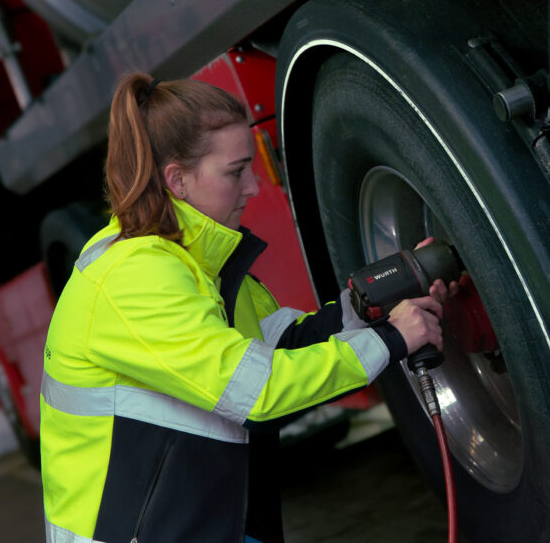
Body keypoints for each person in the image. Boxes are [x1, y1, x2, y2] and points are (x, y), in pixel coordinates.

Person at [39, 73, 449, 543]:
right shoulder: (134, 278)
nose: (253, 187)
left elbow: (278, 345)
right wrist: (393, 339)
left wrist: (369, 310)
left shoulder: (190, 258)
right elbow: (260, 394)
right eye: (236, 171)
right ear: (177, 180)